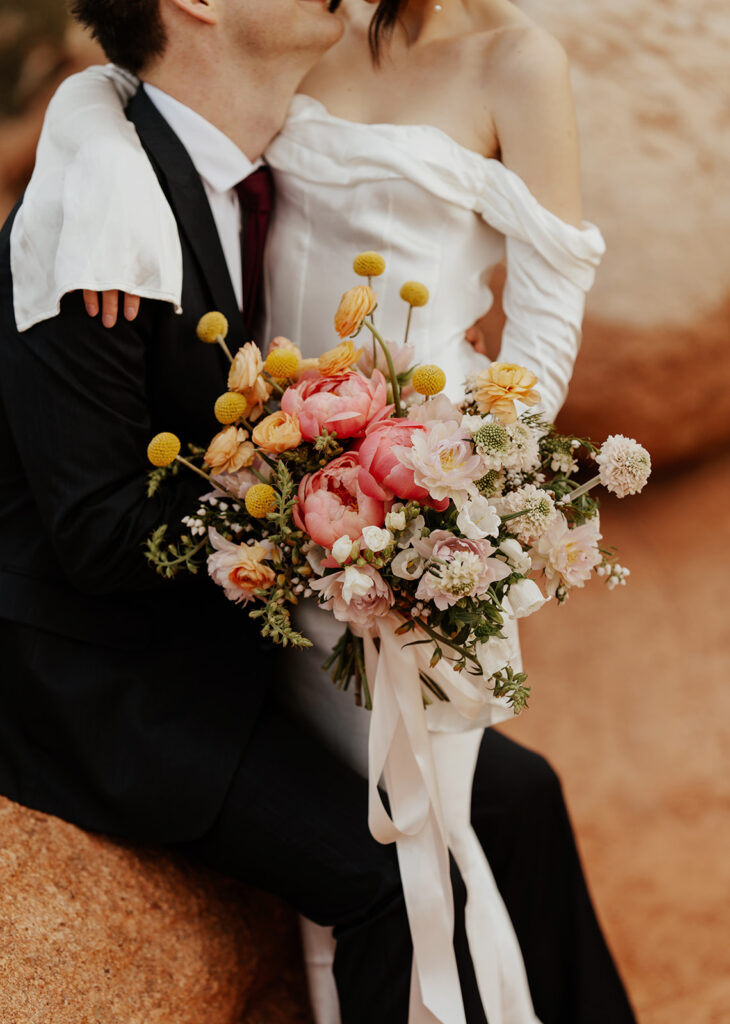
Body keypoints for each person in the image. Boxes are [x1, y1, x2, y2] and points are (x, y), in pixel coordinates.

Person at [1, 1, 638, 1022]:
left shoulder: (215, 142)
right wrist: (326, 516)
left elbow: (128, 77)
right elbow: (93, 533)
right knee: (388, 870)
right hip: (112, 674)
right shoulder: (97, 214)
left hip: (286, 592)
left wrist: (431, 492)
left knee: (518, 798)